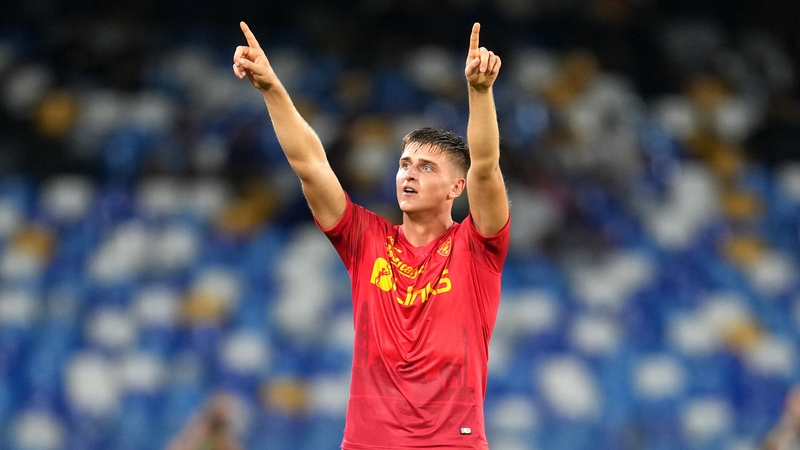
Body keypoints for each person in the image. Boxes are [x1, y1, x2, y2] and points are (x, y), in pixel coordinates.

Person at [233, 20, 509, 450]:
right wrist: (271, 88)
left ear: (458, 188)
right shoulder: (366, 239)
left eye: (427, 167)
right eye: (404, 164)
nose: (409, 175)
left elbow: (486, 167)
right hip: (367, 443)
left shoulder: (477, 248)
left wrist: (479, 91)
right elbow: (310, 165)